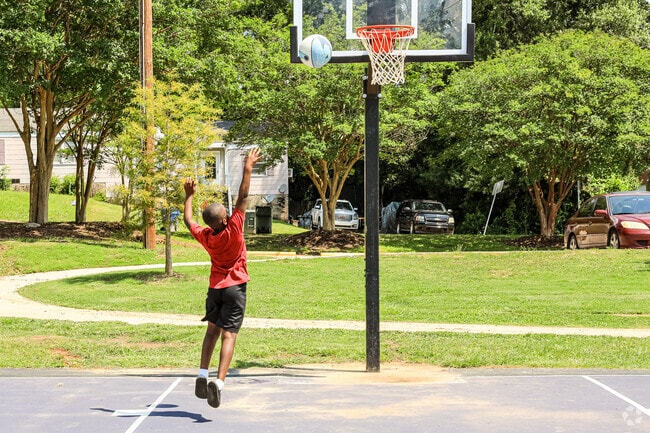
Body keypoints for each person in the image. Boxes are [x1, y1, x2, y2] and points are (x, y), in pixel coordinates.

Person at [183, 147, 262, 408]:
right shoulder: (236, 227)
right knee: (229, 335)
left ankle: (202, 373)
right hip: (235, 287)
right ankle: (218, 382)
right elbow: (243, 194)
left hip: (215, 289)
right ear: (226, 217)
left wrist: (189, 196)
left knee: (212, 332)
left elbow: (188, 220)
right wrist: (247, 166)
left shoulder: (206, 236)